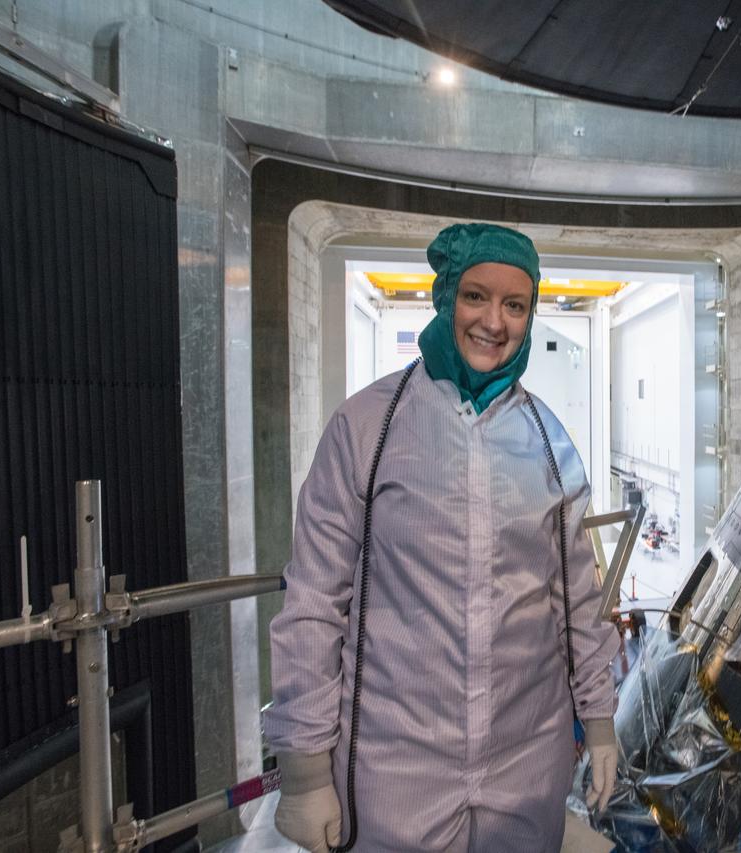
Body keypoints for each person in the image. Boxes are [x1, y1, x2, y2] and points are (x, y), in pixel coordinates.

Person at [265, 223, 620, 852]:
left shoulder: (548, 441)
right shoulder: (367, 428)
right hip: (394, 767)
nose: (495, 321)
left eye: (515, 305)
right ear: (445, 296)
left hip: (526, 764)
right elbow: (314, 603)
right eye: (476, 296)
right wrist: (304, 769)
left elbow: (579, 607)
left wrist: (598, 724)